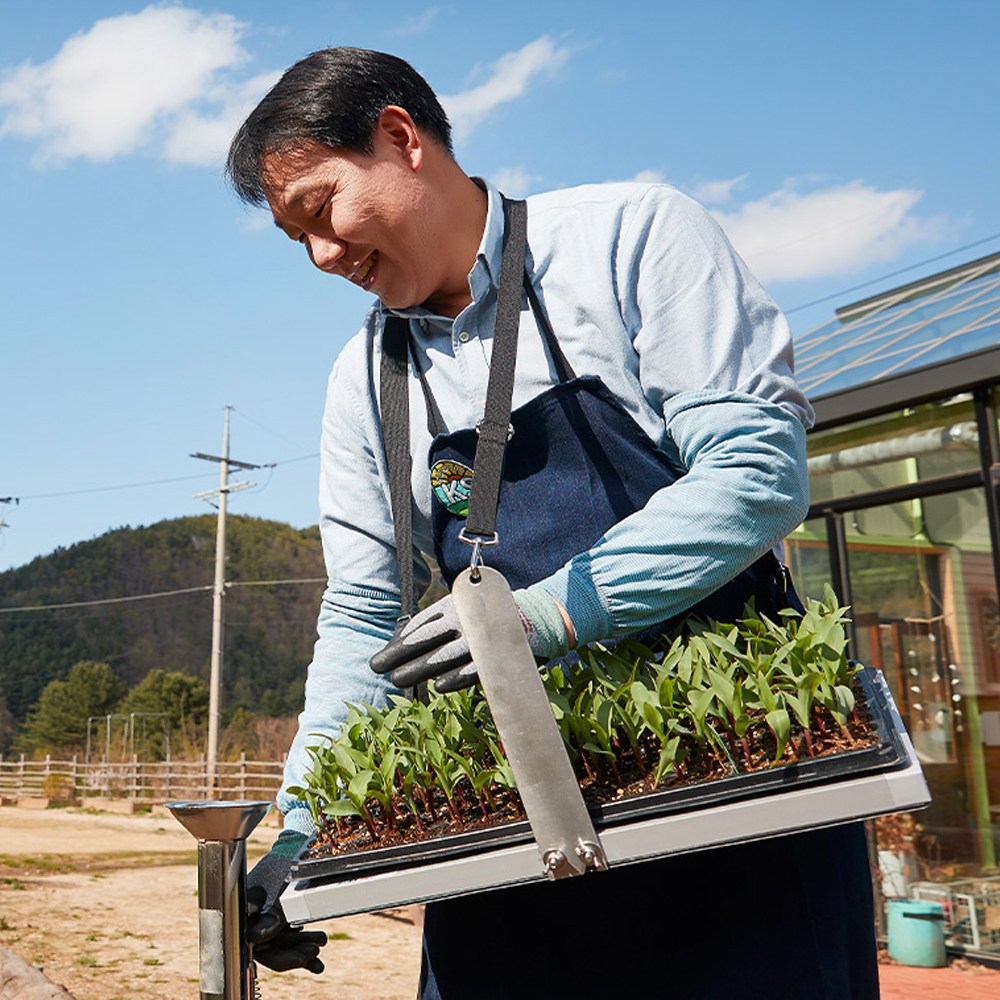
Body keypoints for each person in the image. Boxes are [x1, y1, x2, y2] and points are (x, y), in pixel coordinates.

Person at [227, 47, 878, 999]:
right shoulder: (364, 379)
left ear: (401, 137)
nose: (323, 256)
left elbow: (755, 473)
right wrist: (301, 827)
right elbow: (364, 618)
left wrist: (538, 619)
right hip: (503, 836)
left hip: (739, 793)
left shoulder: (631, 239)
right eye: (298, 241)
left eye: (321, 209)